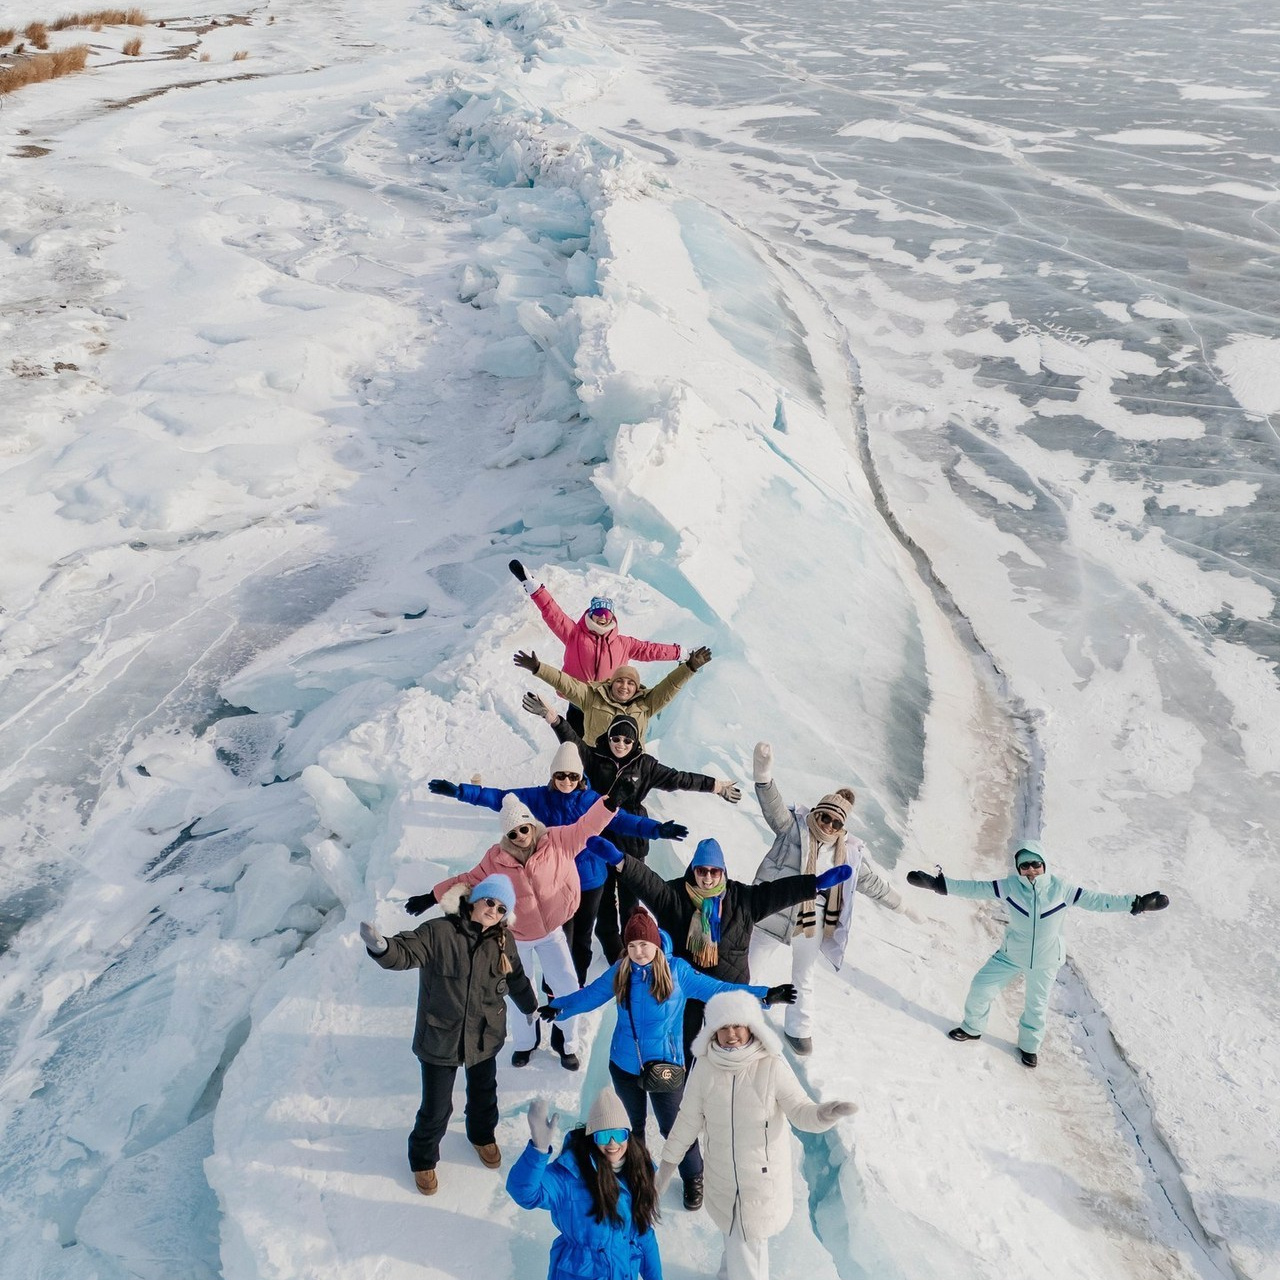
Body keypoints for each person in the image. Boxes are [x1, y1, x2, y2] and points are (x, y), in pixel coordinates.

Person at [540, 909, 796, 1214]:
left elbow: (720, 990)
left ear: (656, 945)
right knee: (632, 1129)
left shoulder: (678, 972)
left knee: (675, 1128)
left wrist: (766, 995)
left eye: (644, 945)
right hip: (624, 1065)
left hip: (666, 1068)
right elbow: (589, 996)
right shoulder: (621, 970)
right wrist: (560, 1009)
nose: (638, 952)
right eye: (632, 946)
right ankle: (638, 1176)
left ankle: (693, 1177)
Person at [419, 741, 689, 983]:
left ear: (581, 776)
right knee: (561, 937)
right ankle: (554, 987)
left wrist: (657, 829)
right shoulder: (538, 798)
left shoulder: (589, 800)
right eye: (560, 775)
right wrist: (460, 792)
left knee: (582, 936)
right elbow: (500, 798)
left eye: (573, 776)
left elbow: (621, 820)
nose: (566, 781)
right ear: (552, 775)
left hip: (590, 880)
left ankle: (576, 985)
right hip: (554, 882)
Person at [410, 783, 637, 1071]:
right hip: (516, 936)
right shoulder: (495, 859)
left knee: (567, 984)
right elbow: (468, 878)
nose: (519, 836)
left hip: (552, 930)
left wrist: (610, 802)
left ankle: (567, 1044)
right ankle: (525, 1044)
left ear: (531, 824)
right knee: (520, 990)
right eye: (512, 833)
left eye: (523, 829)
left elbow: (586, 827)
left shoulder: (557, 840)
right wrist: (431, 896)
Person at [907, 840, 1170, 1067]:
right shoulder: (1009, 887)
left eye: (1035, 864)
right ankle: (972, 1028)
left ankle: (1029, 1047)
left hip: (1046, 959)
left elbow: (1099, 901)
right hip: (1011, 954)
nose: (1031, 870)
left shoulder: (1061, 890)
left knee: (1036, 1005)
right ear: (1018, 868)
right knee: (980, 987)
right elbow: (975, 888)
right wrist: (939, 885)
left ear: (1044, 864)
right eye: (1025, 865)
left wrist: (1137, 903)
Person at [594, 835, 850, 1063]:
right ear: (693, 870)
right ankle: (683, 1092)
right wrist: (620, 861)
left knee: (732, 1049)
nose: (707, 878)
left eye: (714, 872)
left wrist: (814, 884)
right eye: (702, 871)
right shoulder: (672, 896)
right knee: (685, 1047)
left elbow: (777, 892)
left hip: (729, 985)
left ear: (722, 871)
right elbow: (646, 882)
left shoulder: (742, 899)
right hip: (687, 988)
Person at [656, 990, 856, 1280]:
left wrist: (827, 1113)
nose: (732, 1034)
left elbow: (801, 1111)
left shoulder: (771, 1066)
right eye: (723, 1027)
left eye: (737, 1025)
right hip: (723, 1181)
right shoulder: (706, 1068)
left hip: (758, 1186)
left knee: (748, 1260)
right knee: (735, 1244)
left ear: (752, 1027)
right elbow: (686, 1123)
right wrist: (664, 1171)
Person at [523, 696, 741, 960]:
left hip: (632, 841)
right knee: (603, 912)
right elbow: (571, 740)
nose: (620, 744)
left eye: (627, 740)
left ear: (635, 742)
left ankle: (632, 955)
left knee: (629, 906)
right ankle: (616, 957)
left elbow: (680, 778)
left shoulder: (645, 765)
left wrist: (716, 786)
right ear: (609, 738)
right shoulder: (594, 758)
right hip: (599, 840)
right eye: (616, 739)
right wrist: (552, 717)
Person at [360, 874, 536, 1196]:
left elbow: (517, 978)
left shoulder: (503, 941)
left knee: (484, 1096)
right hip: (441, 1036)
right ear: (473, 900)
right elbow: (405, 952)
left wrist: (530, 1006)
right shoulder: (439, 931)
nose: (492, 910)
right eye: (489, 902)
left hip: (484, 1035)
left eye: (500, 908)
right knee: (437, 1107)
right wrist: (382, 948)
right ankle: (423, 1159)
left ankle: (482, 1137)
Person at [750, 741, 916, 1055]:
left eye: (835, 822)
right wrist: (764, 775)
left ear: (842, 827)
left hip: (813, 920)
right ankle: (739, 1014)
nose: (827, 824)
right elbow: (772, 808)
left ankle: (798, 1029)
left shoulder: (849, 854)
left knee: (804, 974)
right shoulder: (793, 828)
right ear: (816, 812)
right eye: (824, 817)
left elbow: (870, 883)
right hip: (775, 908)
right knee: (750, 963)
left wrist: (903, 906)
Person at [508, 559, 684, 735]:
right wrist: (534, 587)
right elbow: (553, 613)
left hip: (607, 706)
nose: (602, 617)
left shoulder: (623, 643)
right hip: (578, 702)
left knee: (602, 751)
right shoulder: (574, 635)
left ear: (612, 617)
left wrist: (679, 653)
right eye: (598, 612)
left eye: (606, 613)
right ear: (591, 613)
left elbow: (650, 650)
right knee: (574, 746)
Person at [507, 1087, 663, 1280]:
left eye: (619, 1134)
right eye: (604, 1136)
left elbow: (643, 1234)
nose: (613, 1144)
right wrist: (537, 1151)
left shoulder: (638, 1172)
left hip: (622, 1271)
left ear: (628, 1136)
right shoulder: (569, 1174)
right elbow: (524, 1193)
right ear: (592, 1137)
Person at [514, 645, 712, 747]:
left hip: (630, 769)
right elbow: (566, 683)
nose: (624, 686)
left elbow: (669, 686)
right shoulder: (592, 697)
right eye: (620, 681)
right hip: (595, 764)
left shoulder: (646, 704)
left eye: (630, 683)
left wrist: (689, 667)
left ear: (636, 687)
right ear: (611, 682)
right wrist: (538, 668)